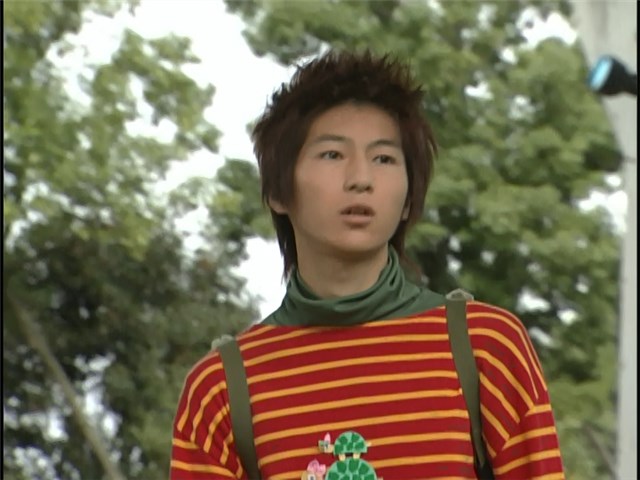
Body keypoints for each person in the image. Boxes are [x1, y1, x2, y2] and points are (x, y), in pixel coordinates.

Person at [170, 50, 565, 480]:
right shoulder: (221, 390)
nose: (361, 179)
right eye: (332, 155)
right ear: (278, 192)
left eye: (384, 159)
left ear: (409, 198)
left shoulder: (486, 347)